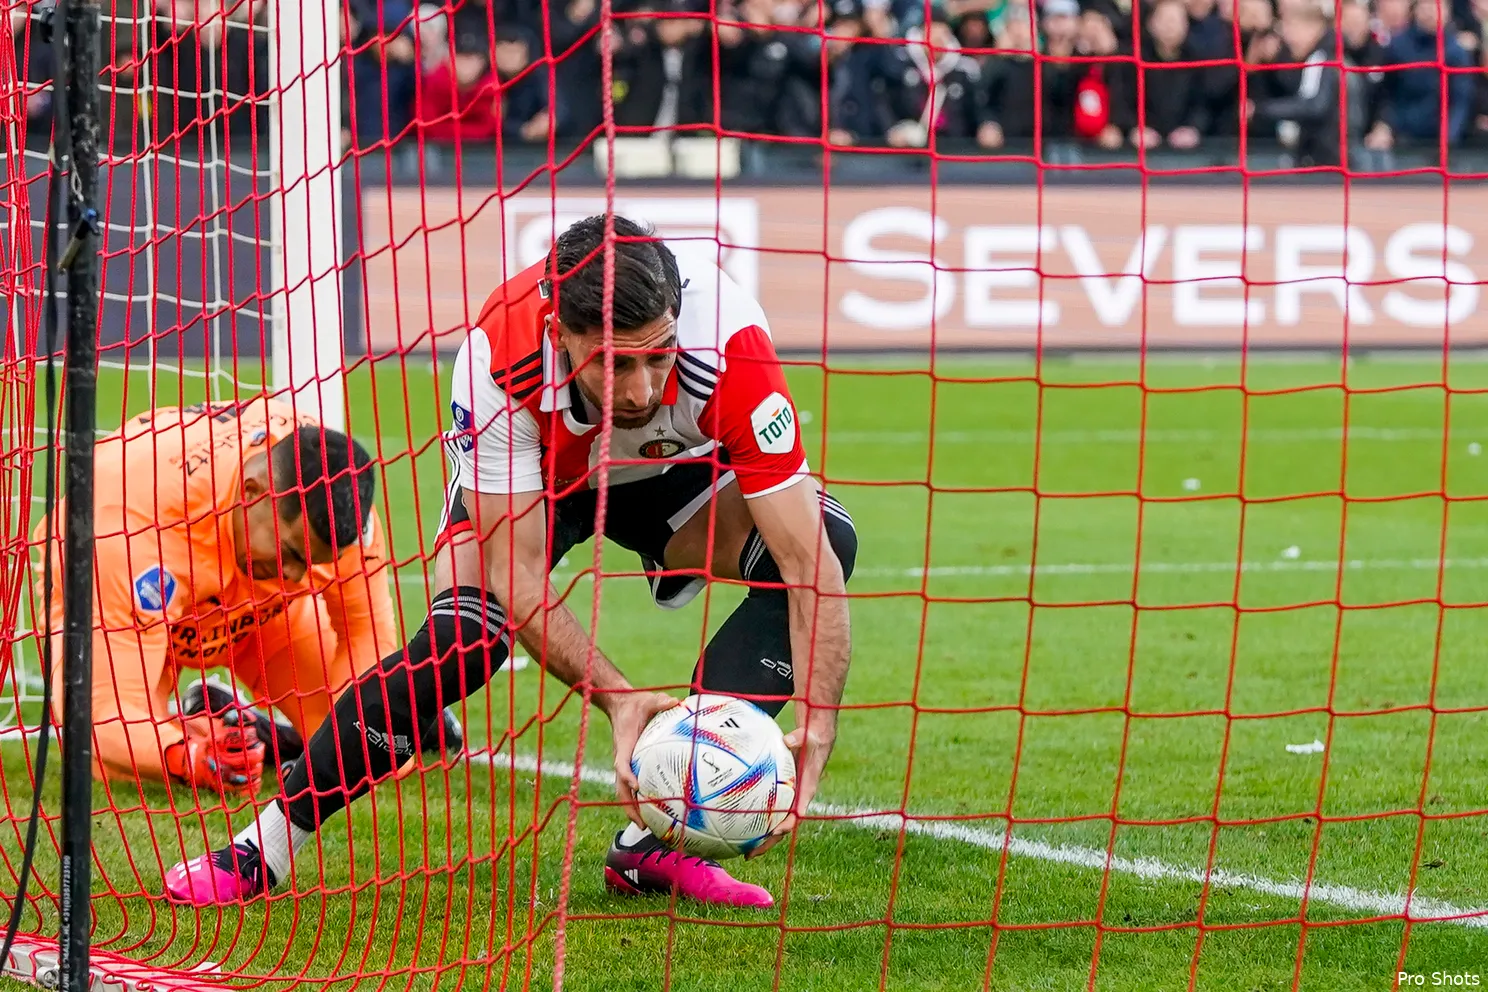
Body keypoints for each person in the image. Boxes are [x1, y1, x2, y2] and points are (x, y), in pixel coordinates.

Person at [165, 215, 859, 910]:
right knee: (460, 643)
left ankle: (657, 842)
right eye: (616, 362)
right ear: (561, 334)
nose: (644, 390)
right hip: (538, 482)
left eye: (660, 356)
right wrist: (617, 698)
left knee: (827, 536)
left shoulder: (731, 344)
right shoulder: (498, 356)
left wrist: (818, 727)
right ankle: (265, 847)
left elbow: (809, 563)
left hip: (668, 482)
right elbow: (519, 578)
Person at [32, 398, 454, 800]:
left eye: (314, 564)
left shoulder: (340, 510)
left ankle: (253, 728)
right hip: (134, 615)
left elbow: (366, 635)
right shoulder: (128, 523)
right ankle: (200, 729)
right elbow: (104, 714)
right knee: (112, 761)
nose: (296, 576)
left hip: (260, 620)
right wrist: (191, 759)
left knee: (372, 749)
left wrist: (365, 730)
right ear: (252, 492)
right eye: (291, 555)